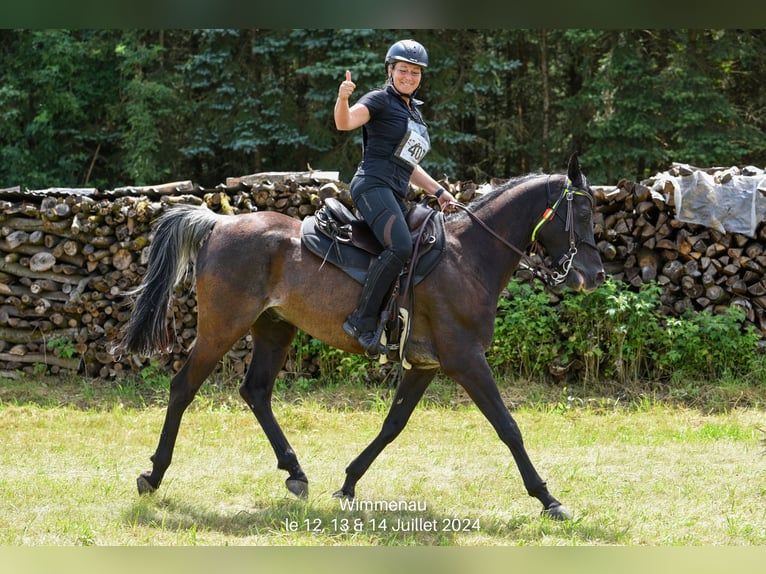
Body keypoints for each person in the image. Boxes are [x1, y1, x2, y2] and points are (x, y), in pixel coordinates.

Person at [334, 39, 456, 357]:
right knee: (400, 246)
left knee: (418, 249)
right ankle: (361, 321)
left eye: (415, 72)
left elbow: (408, 164)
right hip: (372, 186)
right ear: (390, 71)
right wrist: (342, 99)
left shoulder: (413, 111)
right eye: (403, 70)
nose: (409, 77)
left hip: (395, 191)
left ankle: (397, 325)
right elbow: (344, 122)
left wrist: (439, 192)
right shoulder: (378, 100)